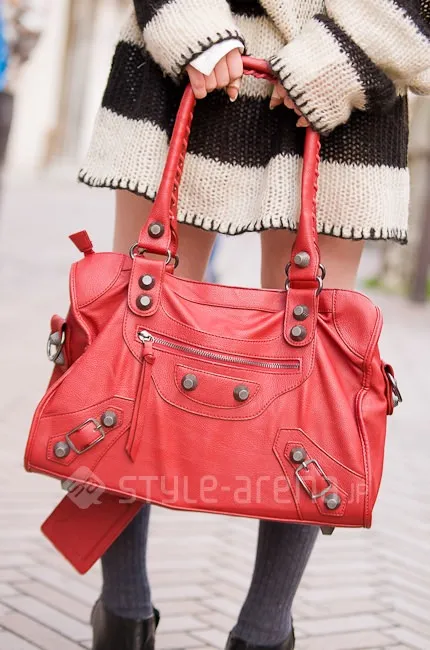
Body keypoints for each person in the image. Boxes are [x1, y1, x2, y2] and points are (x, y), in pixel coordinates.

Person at [79, 1, 430, 648]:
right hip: (200, 56)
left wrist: (345, 57)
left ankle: (139, 618)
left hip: (336, 79)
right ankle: (226, 628)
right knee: (296, 363)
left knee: (143, 340)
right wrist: (185, 22)